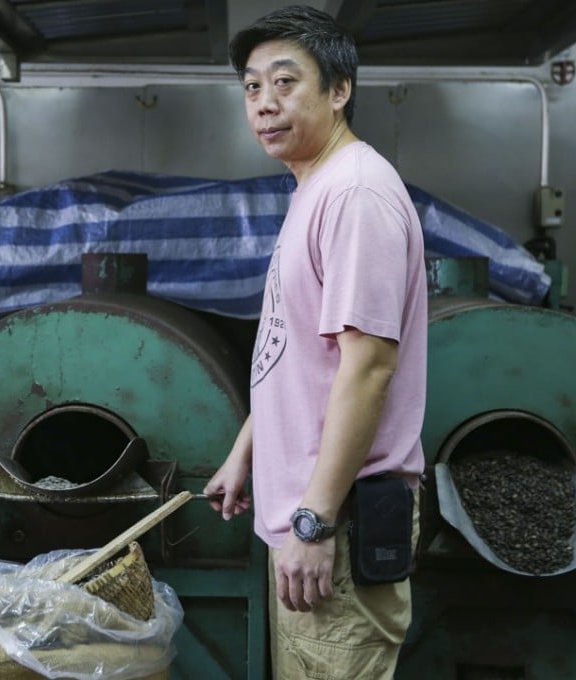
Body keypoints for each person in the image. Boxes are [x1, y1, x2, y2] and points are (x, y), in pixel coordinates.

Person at [203, 5, 428, 679]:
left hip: (339, 522)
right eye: (251, 87)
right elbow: (301, 353)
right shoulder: (314, 188)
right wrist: (250, 447)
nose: (265, 104)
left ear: (339, 90)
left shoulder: (355, 195)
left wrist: (314, 522)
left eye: (285, 82)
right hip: (311, 517)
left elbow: (367, 369)